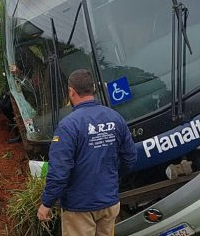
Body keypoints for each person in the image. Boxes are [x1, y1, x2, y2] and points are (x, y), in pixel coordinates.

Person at [37, 69, 137, 236]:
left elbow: (60, 171)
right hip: (109, 202)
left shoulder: (68, 126)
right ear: (93, 90)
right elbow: (130, 158)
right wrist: (110, 177)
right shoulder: (115, 118)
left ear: (71, 91)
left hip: (79, 207)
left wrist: (46, 203)